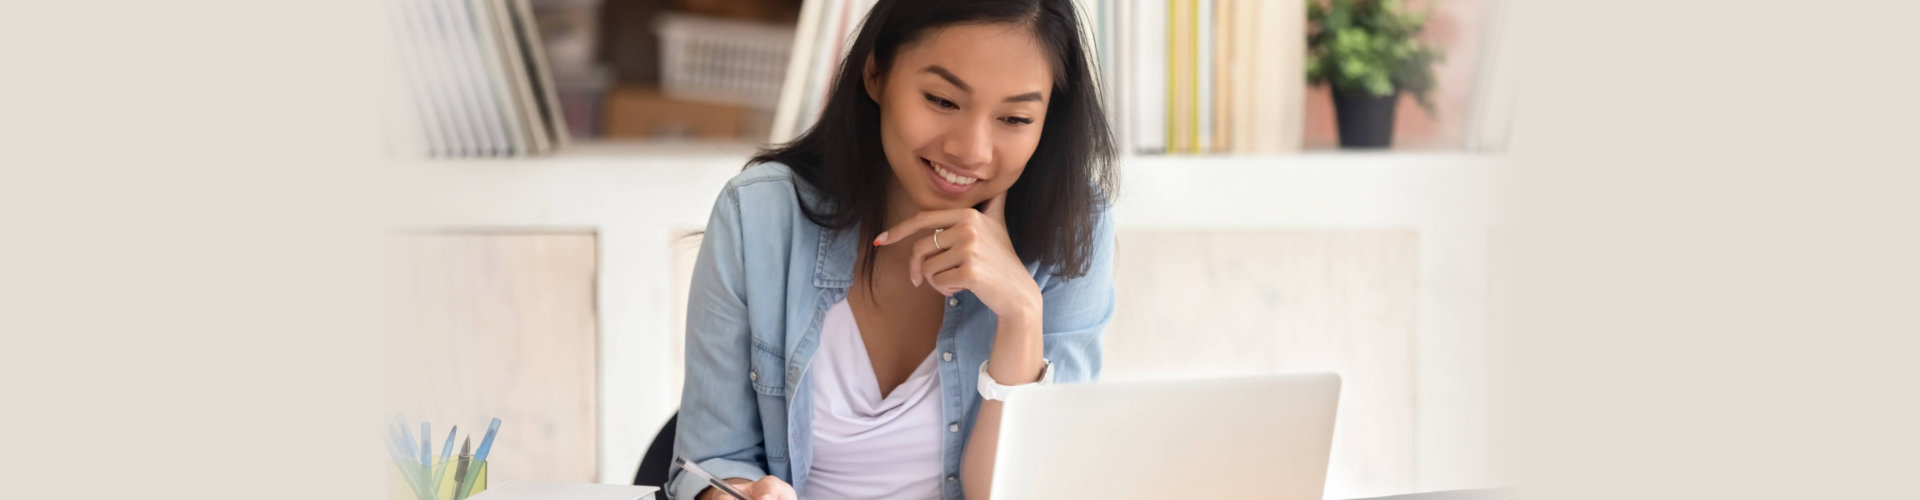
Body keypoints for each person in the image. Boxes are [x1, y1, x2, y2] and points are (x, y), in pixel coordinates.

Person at [668, 1, 1115, 498]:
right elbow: (707, 461)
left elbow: (1027, 489)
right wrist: (737, 493)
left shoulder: (1073, 230)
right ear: (876, 72)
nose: (972, 150)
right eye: (943, 101)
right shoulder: (760, 215)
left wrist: (1022, 313)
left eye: (1014, 118)